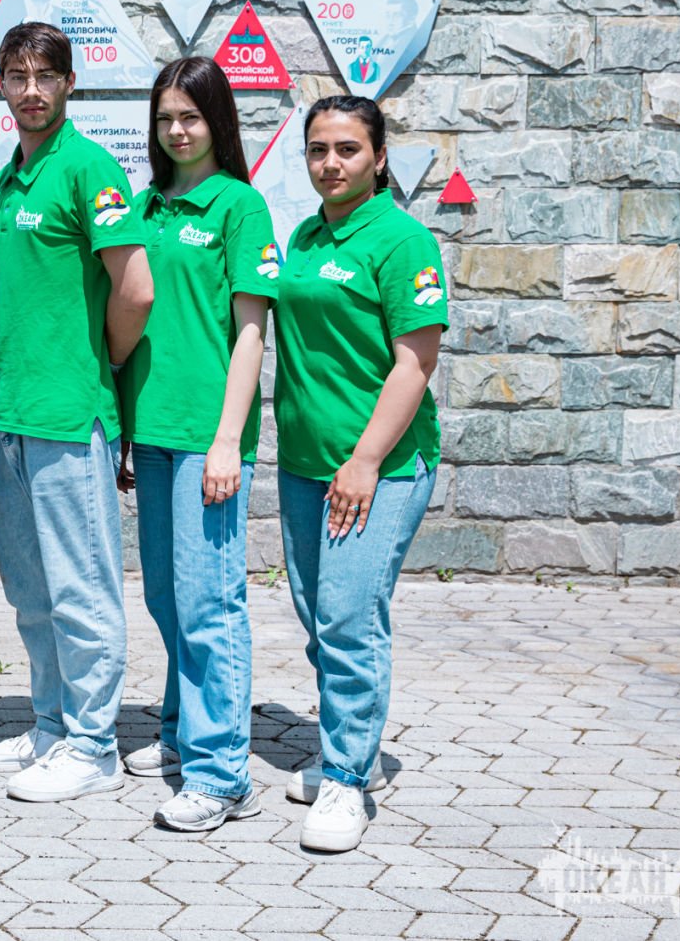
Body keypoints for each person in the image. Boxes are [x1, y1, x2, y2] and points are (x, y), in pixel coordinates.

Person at [0, 22, 154, 802]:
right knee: (31, 590)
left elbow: (136, 289)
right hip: (7, 413)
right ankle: (50, 723)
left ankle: (93, 744)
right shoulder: (12, 175)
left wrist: (99, 365)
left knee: (81, 588)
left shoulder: (88, 166)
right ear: (1, 84)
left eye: (46, 75)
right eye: (17, 76)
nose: (32, 91)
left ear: (71, 82)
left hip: (69, 413)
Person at [274, 96, 447, 853]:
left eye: (347, 149)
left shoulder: (404, 240)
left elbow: (416, 362)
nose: (330, 163)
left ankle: (347, 777)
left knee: (349, 617)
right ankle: (357, 745)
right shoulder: (306, 235)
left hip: (383, 465)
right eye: (318, 149)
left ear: (379, 158)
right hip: (305, 464)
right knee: (321, 616)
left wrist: (366, 460)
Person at [115, 58, 278, 832]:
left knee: (211, 602)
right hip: (148, 432)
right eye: (165, 118)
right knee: (167, 596)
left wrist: (226, 440)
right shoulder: (143, 206)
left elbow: (251, 333)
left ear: (218, 121)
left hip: (206, 437)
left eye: (191, 116)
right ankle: (182, 730)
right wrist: (122, 429)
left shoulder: (241, 206)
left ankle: (222, 774)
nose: (177, 131)